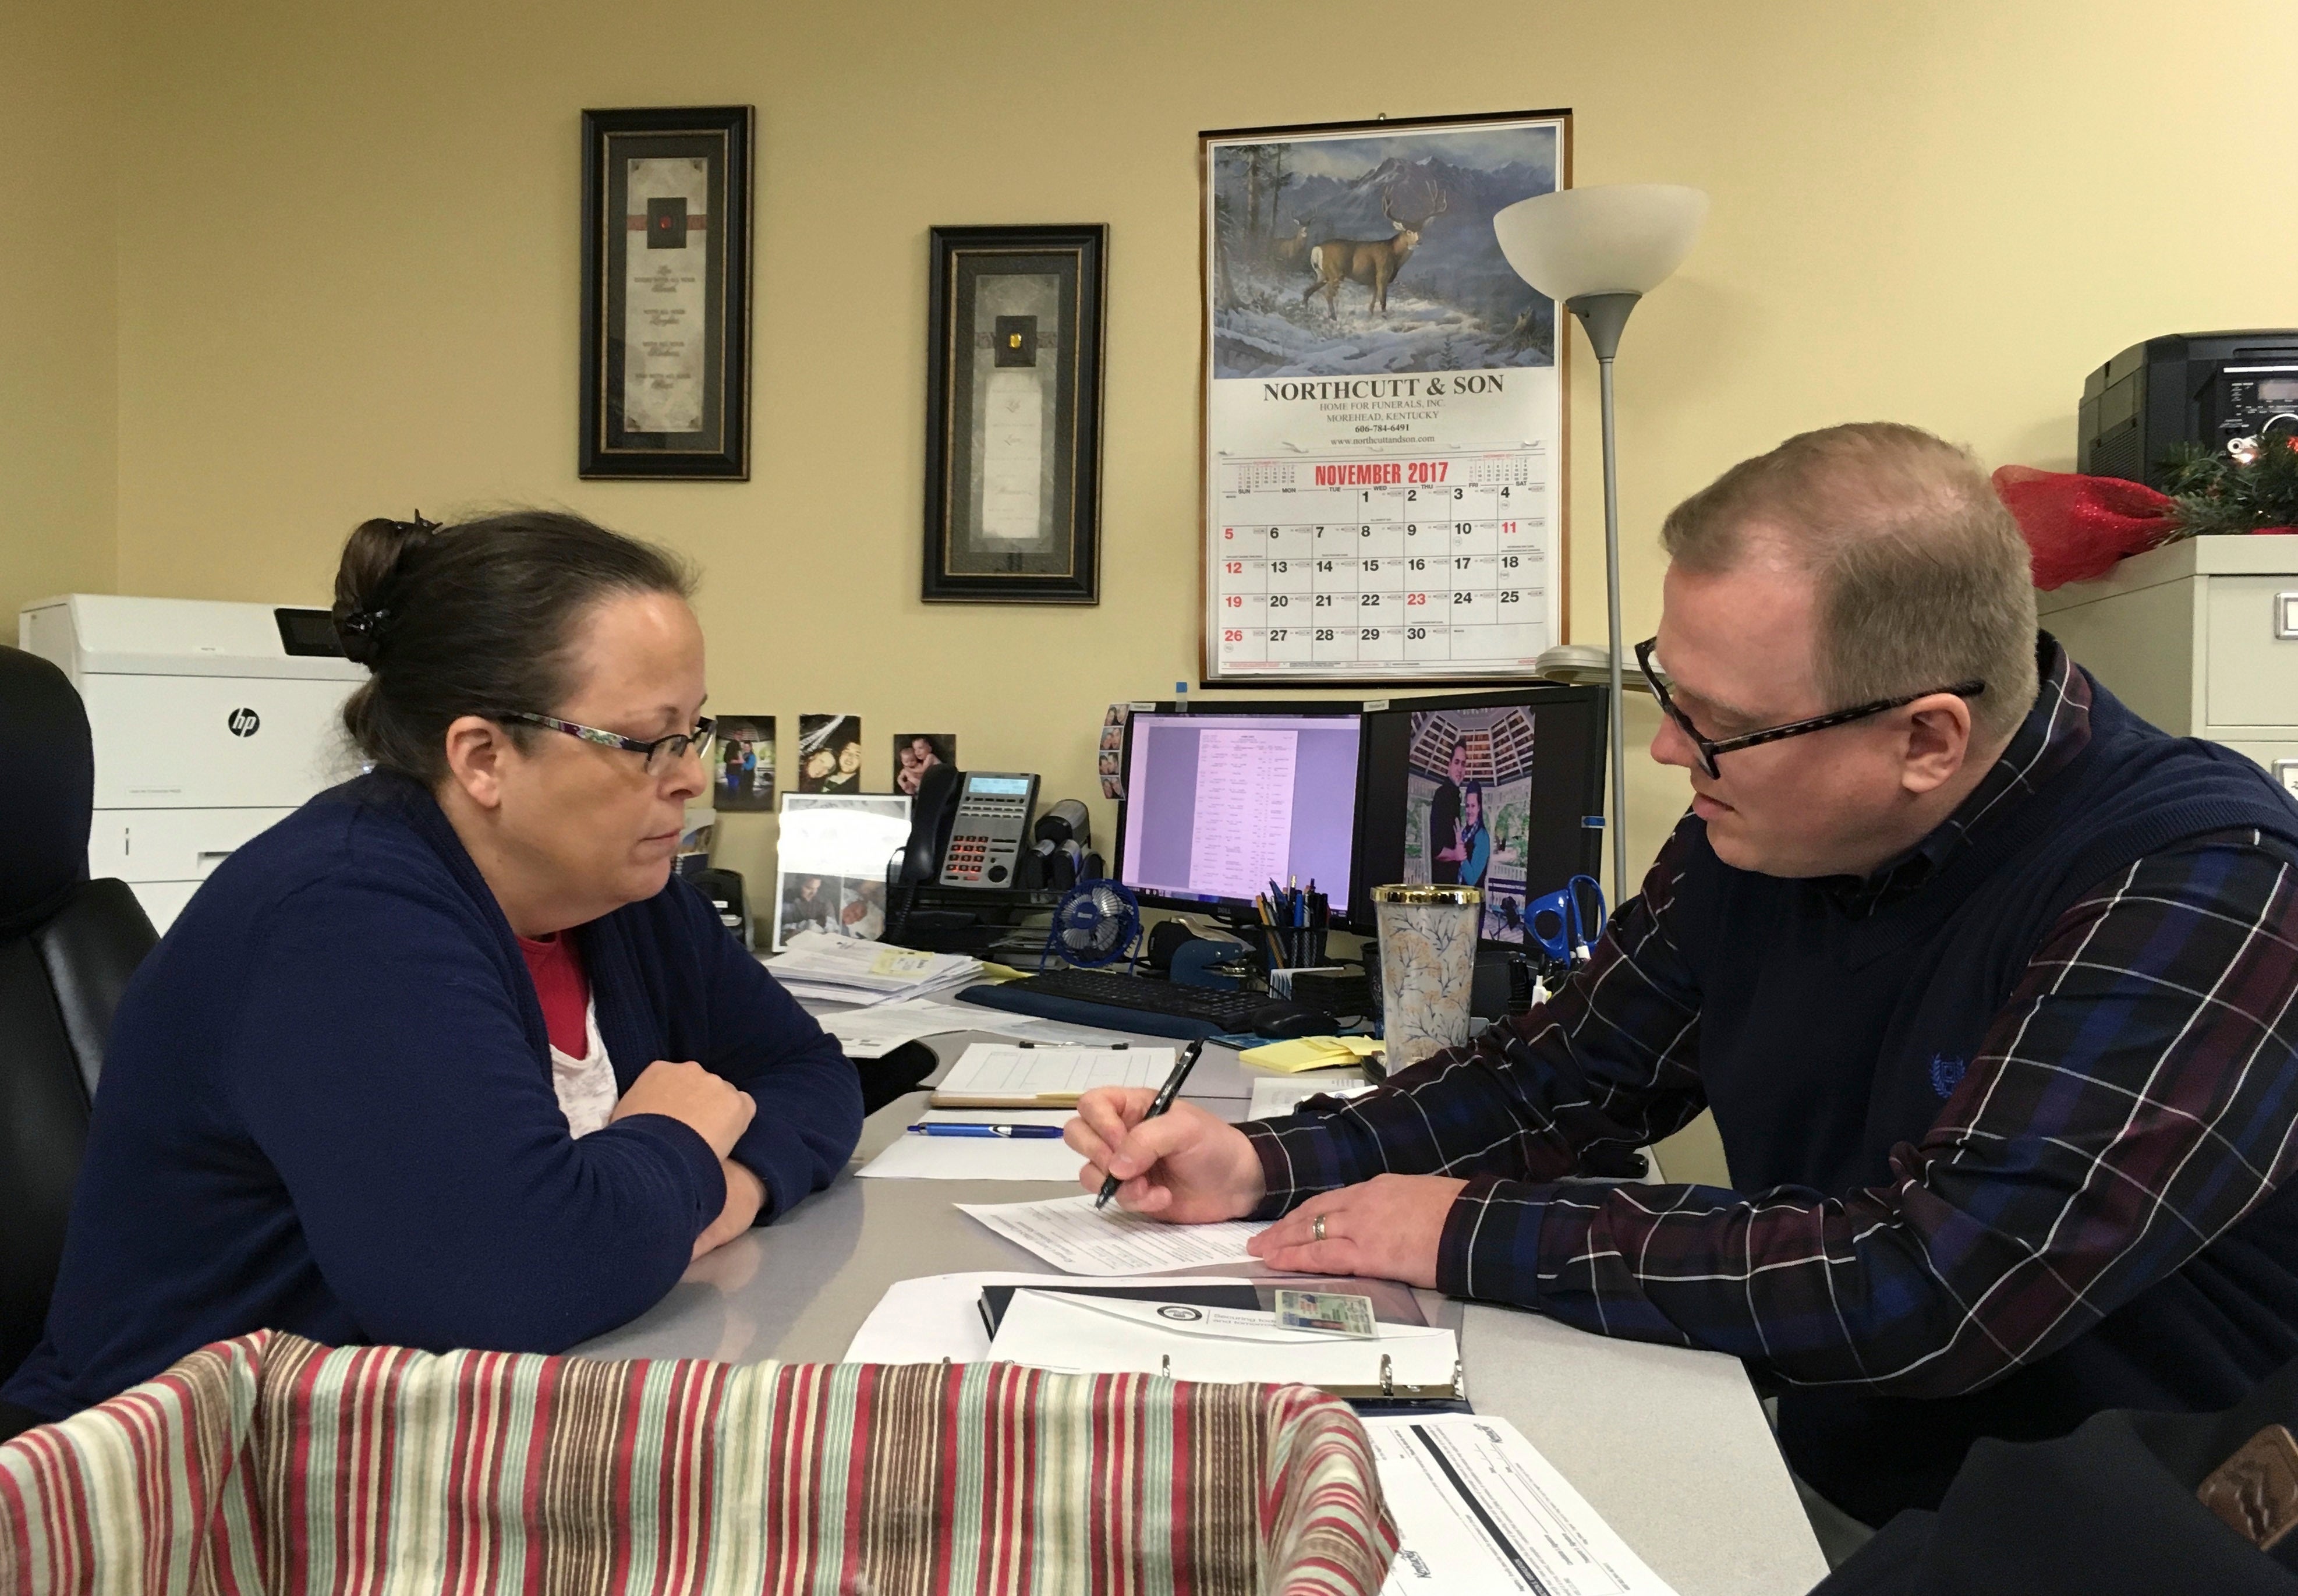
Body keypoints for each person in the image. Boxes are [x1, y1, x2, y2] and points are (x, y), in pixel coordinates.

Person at [1065, 423, 2298, 1527]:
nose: (1667, 746)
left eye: (1711, 718)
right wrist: (1270, 1159)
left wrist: (1461, 1226)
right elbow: (1560, 1077)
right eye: (1670, 686)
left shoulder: (2203, 877)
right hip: (1832, 1467)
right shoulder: (1764, 823)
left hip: (2113, 1528)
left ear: (1924, 736)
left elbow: (1932, 1281)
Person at [1, 510, 862, 1425]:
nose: (690, 777)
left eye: (694, 731)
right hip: (196, 1477)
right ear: (483, 757)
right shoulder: (342, 922)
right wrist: (682, 1141)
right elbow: (517, 1279)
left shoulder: (624, 898)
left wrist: (731, 1186)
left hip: (439, 1424)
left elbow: (812, 1077)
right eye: (646, 742)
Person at [1427, 739, 1468, 883]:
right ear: (1449, 765)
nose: (1460, 769)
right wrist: (1455, 855)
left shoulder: (1454, 796)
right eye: (1457, 762)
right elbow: (1435, 849)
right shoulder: (1443, 795)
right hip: (1442, 887)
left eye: (1463, 764)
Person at [1457, 783, 1490, 890]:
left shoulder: (1482, 836)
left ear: (1479, 808)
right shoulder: (1464, 833)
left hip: (1474, 903)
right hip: (1461, 899)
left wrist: (1460, 849)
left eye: (1473, 806)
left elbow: (1472, 880)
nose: (1469, 811)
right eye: (1467, 806)